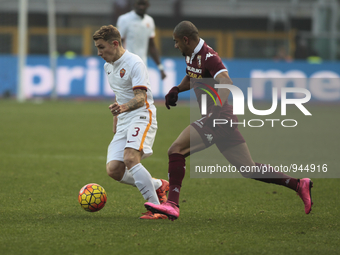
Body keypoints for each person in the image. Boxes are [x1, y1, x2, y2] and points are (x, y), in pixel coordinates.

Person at [145, 21, 313, 220]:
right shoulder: (191, 55)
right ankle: (298, 184)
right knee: (248, 168)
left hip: (218, 117)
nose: (175, 46)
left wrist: (215, 109)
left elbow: (226, 81)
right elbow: (192, 76)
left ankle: (172, 205)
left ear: (185, 39)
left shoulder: (209, 56)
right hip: (222, 120)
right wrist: (176, 89)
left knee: (176, 150)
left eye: (176, 42)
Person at [93, 25, 168, 219]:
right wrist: (117, 116)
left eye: (101, 47)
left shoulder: (134, 62)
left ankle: (156, 209)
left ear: (115, 43)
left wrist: (124, 108)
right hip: (125, 118)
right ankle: (159, 185)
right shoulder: (107, 66)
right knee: (114, 170)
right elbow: (120, 94)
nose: (99, 53)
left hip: (142, 115)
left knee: (130, 158)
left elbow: (141, 97)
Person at [116, 0, 166, 80]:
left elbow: (152, 46)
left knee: (142, 92)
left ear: (148, 5)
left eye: (143, 4)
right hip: (127, 65)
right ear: (134, 4)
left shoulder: (149, 21)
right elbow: (117, 43)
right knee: (128, 92)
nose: (141, 7)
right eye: (139, 4)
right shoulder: (124, 19)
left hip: (142, 65)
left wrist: (160, 67)